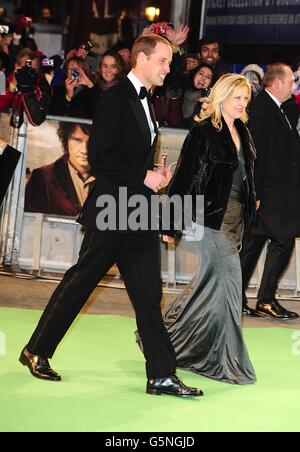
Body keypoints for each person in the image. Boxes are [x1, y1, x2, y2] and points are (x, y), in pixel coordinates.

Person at [19, 34, 203, 398]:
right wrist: (142, 177)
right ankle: (35, 350)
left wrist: (155, 178)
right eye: (164, 61)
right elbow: (101, 159)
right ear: (143, 60)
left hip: (137, 211)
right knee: (80, 283)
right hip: (111, 209)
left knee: (149, 294)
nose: (170, 68)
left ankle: (161, 375)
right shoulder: (115, 98)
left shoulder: (150, 102)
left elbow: (132, 157)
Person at [142, 73, 257, 384]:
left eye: (245, 99)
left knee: (209, 286)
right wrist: (170, 223)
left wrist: (253, 202)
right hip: (211, 220)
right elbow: (184, 181)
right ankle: (225, 362)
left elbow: (244, 177)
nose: (241, 104)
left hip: (235, 221)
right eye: (236, 98)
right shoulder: (203, 133)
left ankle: (165, 341)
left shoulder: (242, 131)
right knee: (232, 288)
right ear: (220, 97)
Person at [241, 63, 300, 319]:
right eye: (290, 82)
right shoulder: (262, 110)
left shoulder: (283, 108)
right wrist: (254, 194)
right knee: (277, 240)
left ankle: (259, 298)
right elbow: (254, 156)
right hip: (267, 193)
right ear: (277, 84)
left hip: (280, 193)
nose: (293, 87)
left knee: (260, 243)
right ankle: (256, 298)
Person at [24, 122, 94, 216]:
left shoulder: (114, 178)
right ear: (66, 141)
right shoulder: (41, 178)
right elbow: (28, 225)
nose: (85, 150)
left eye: (93, 141)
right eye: (77, 140)